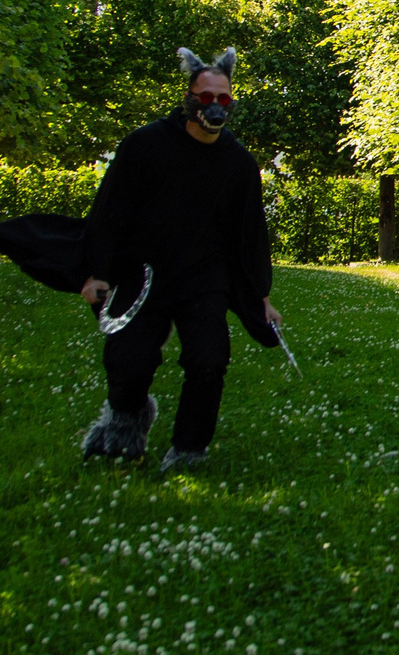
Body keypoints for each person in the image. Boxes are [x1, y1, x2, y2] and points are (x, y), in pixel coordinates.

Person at [73, 49, 282, 472]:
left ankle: (189, 448)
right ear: (189, 98)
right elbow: (110, 210)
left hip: (204, 278)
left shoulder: (239, 163)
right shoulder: (144, 145)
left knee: (209, 360)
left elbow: (250, 235)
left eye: (223, 98)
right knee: (128, 363)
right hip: (143, 274)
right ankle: (126, 424)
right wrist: (95, 272)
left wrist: (260, 297)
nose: (214, 105)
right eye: (206, 96)